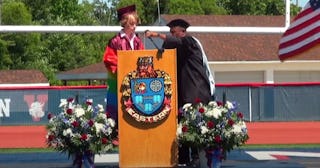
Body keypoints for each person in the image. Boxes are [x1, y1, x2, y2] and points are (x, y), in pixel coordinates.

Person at [145, 19, 215, 167]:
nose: (170, 35)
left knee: (195, 125)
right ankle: (183, 158)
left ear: (182, 31)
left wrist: (156, 34)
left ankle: (196, 158)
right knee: (182, 126)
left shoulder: (190, 41)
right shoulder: (180, 47)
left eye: (173, 32)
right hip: (183, 94)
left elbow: (178, 42)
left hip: (196, 91)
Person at [103, 4, 144, 125]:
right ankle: (114, 129)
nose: (134, 26)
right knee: (116, 103)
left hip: (134, 80)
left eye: (135, 23)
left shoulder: (137, 40)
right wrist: (123, 67)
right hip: (117, 79)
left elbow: (142, 56)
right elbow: (108, 58)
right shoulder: (115, 40)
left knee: (134, 104)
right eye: (131, 24)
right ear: (124, 24)